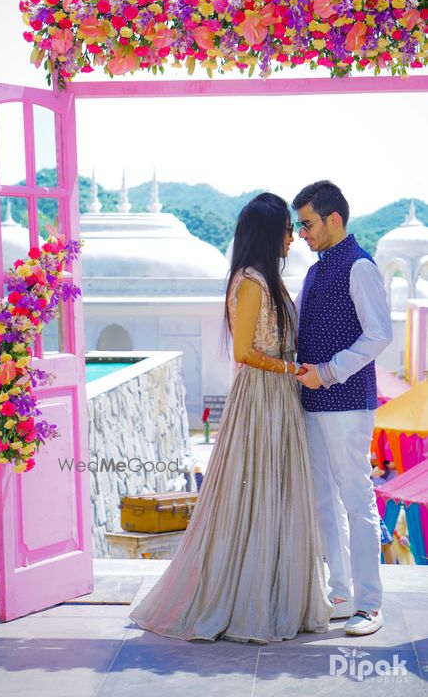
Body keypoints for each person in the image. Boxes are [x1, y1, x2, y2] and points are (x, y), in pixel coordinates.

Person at [130, 193, 332, 643]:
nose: (290, 236)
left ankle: (277, 594)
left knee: (277, 492)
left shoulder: (265, 278)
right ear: (267, 232)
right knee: (256, 492)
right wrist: (291, 370)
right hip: (263, 395)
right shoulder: (253, 281)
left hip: (278, 395)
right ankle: (250, 598)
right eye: (285, 227)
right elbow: (244, 352)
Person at [292, 180, 392, 637]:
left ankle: (370, 604)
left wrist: (329, 372)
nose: (302, 233)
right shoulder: (315, 271)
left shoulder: (359, 267)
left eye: (308, 223)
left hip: (347, 401)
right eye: (299, 225)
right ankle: (340, 593)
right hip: (311, 401)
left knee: (356, 498)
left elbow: (379, 336)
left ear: (334, 219)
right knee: (323, 501)